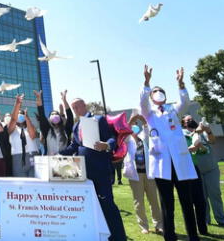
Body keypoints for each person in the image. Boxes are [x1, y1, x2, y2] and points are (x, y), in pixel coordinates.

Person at [140, 65, 201, 241]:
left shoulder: (173, 109)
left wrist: (181, 84)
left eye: (161, 91)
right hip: (162, 164)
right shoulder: (149, 113)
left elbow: (185, 102)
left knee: (187, 202)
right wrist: (146, 83)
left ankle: (193, 236)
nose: (158, 93)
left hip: (179, 162)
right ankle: (170, 236)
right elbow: (142, 102)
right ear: (152, 96)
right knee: (167, 203)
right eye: (155, 92)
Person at [59, 96, 127, 241]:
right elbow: (75, 146)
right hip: (84, 172)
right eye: (73, 108)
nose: (76, 110)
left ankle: (118, 237)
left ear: (85, 106)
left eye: (77, 106)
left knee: (108, 205)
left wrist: (106, 145)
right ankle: (100, 235)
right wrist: (58, 154)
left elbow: (112, 138)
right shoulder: (76, 126)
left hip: (101, 170)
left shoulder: (98, 119)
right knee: (92, 206)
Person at [183, 115, 224, 227]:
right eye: (188, 120)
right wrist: (197, 132)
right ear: (183, 124)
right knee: (201, 197)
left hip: (211, 168)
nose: (191, 121)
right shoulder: (182, 133)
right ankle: (205, 220)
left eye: (192, 119)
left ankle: (221, 220)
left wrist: (208, 130)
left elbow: (212, 141)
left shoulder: (202, 131)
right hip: (196, 170)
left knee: (215, 194)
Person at [123, 114, 163, 235]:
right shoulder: (127, 140)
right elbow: (124, 131)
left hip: (148, 173)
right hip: (135, 175)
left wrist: (143, 120)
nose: (134, 129)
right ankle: (144, 226)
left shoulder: (143, 138)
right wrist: (131, 121)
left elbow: (146, 128)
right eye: (132, 127)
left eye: (136, 127)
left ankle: (159, 225)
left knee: (154, 200)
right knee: (139, 201)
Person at [7, 94, 39, 177]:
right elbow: (13, 119)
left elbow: (32, 135)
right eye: (18, 115)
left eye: (22, 115)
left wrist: (27, 118)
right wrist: (17, 104)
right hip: (18, 157)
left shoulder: (30, 126)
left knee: (34, 181)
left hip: (32, 155)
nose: (20, 116)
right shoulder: (12, 128)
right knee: (20, 182)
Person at [35, 89, 73, 156]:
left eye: (56, 114)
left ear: (60, 118)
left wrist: (64, 100)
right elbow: (41, 114)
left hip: (65, 161)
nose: (54, 115)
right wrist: (39, 99)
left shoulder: (66, 130)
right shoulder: (47, 130)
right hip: (50, 161)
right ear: (49, 119)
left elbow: (70, 117)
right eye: (52, 114)